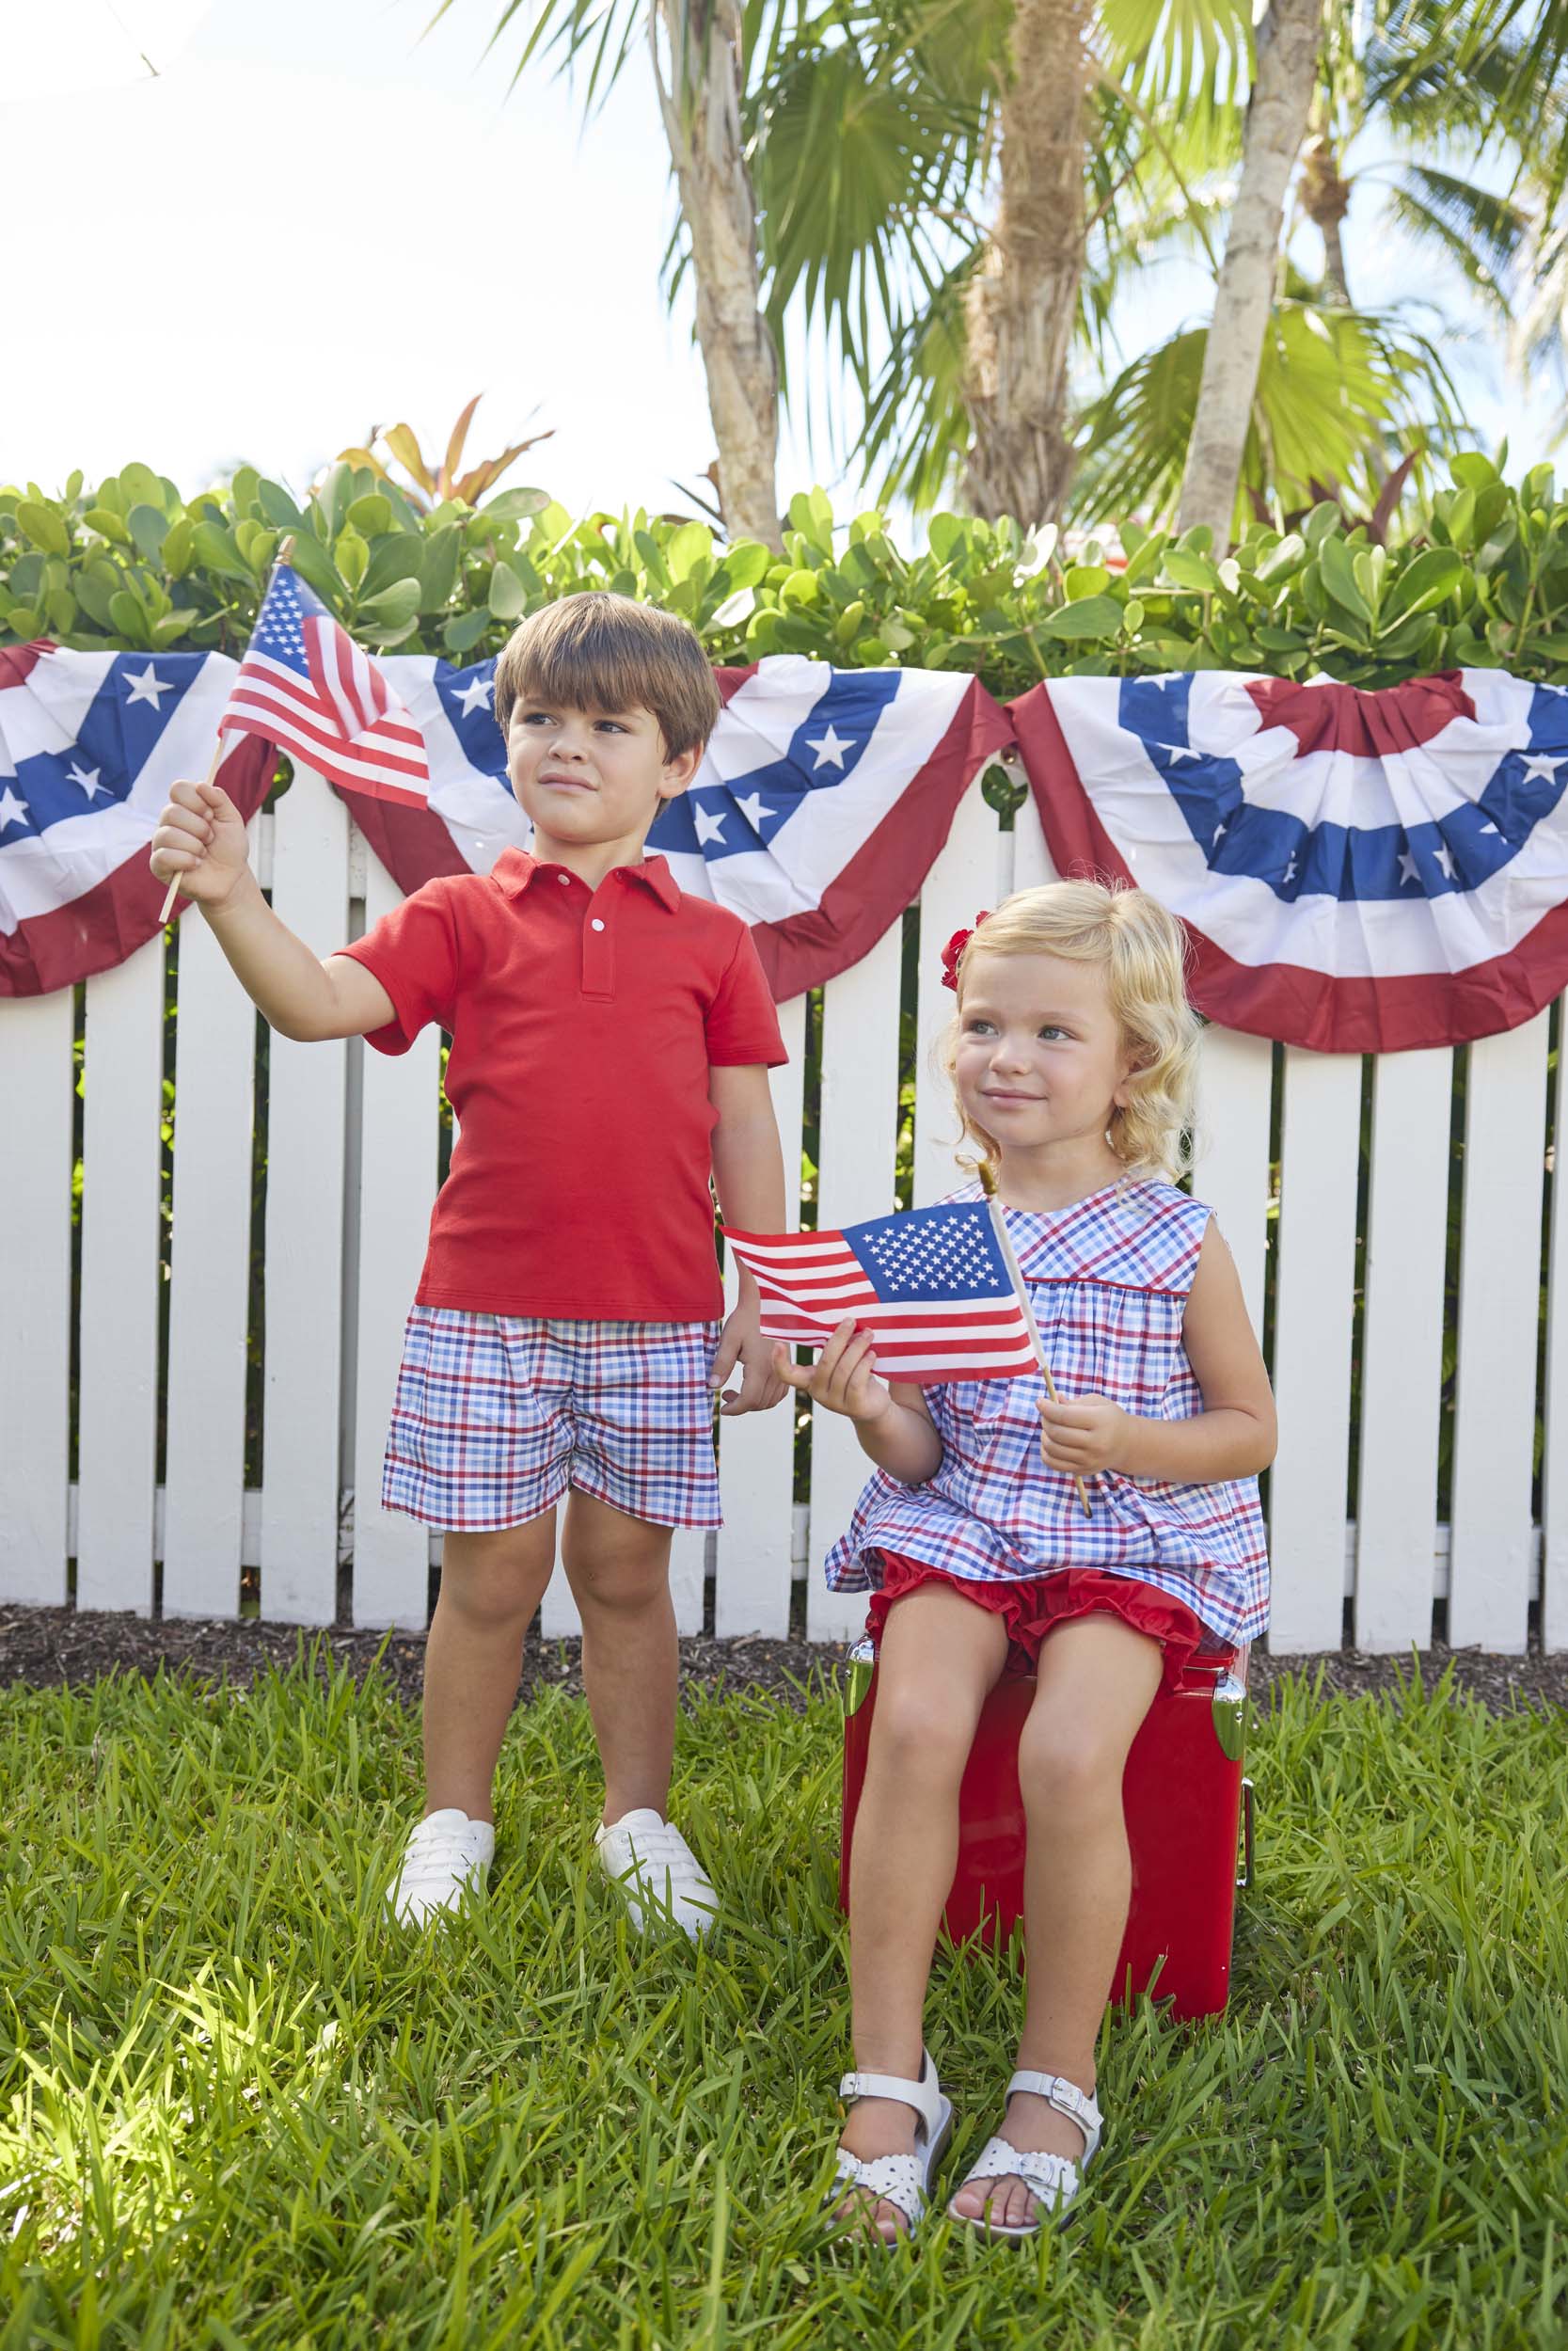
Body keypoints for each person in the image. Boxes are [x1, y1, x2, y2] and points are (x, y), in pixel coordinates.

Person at [150, 591, 789, 1939]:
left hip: (660, 1322)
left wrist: (766, 1289)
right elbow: (319, 1003)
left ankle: (637, 1821)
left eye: (609, 724)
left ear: (676, 763)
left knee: (626, 1576)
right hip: (484, 1317)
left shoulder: (711, 941)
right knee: (487, 1581)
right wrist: (231, 897)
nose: (567, 742)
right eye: (539, 716)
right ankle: (455, 1821)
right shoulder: (461, 913)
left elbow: (743, 1123)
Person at [775, 882, 1275, 2244]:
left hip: (1130, 1533)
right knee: (915, 1722)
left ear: (1134, 1065)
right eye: (985, 1023)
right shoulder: (941, 1244)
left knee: (1066, 1753)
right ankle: (890, 2076)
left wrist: (1129, 1438)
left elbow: (1250, 1429)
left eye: (1055, 1033)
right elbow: (929, 1455)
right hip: (972, 1522)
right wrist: (872, 1404)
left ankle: (1057, 2081)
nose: (1009, 1055)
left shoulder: (1178, 1238)